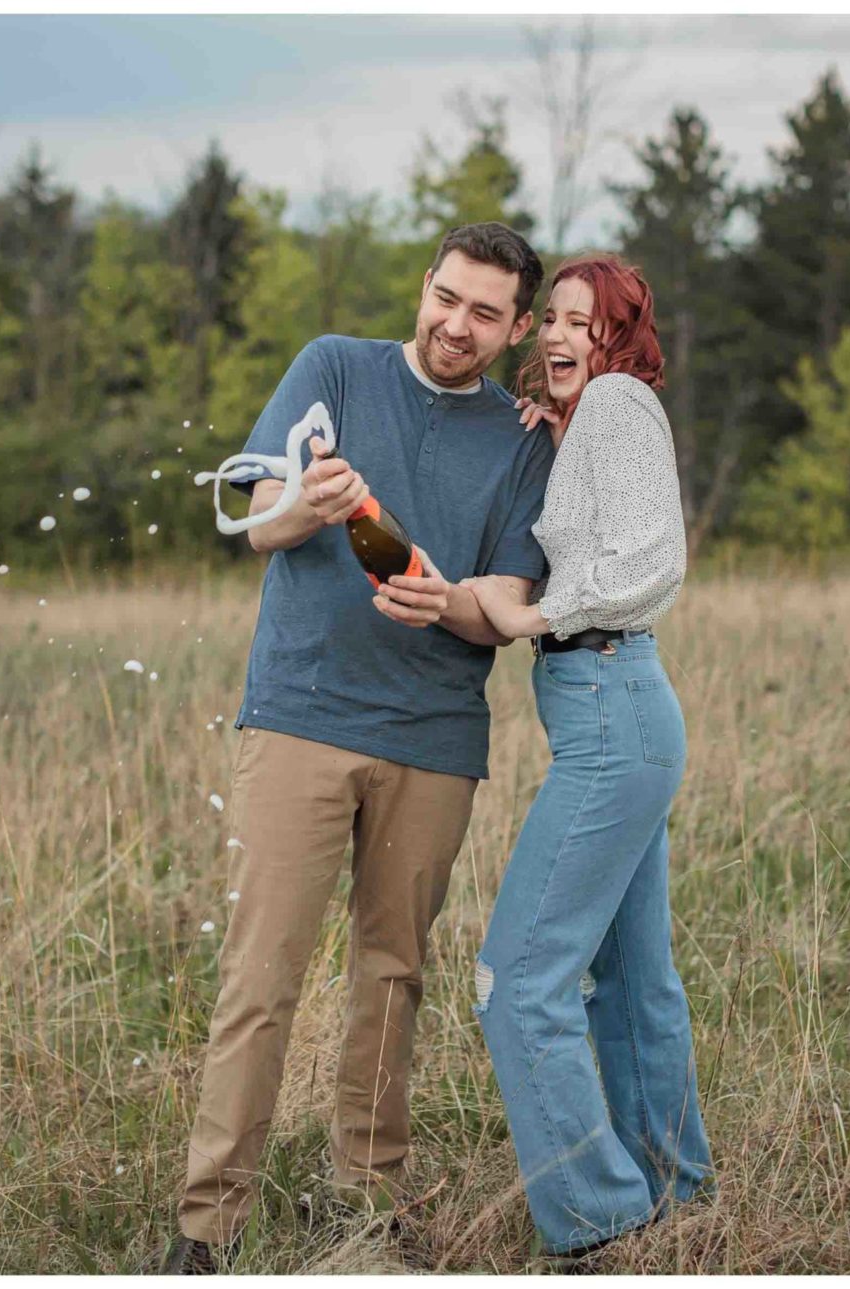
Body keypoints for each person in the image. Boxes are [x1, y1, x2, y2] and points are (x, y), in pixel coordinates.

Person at [162, 222, 553, 1274]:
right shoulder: (333, 367)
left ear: (516, 327)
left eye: (484, 312)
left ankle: (369, 1208)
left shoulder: (524, 443)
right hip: (302, 714)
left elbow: (510, 599)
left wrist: (451, 600)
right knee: (263, 972)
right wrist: (305, 500)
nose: (455, 324)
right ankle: (209, 1224)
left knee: (393, 973)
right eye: (445, 296)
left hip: (435, 736)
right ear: (422, 287)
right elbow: (253, 523)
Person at [462, 254, 715, 1262]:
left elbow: (656, 555)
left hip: (610, 707)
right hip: (622, 710)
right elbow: (601, 525)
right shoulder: (589, 422)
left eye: (591, 322)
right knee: (633, 978)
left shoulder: (616, 403)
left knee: (517, 978)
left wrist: (534, 609)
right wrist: (550, 442)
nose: (566, 337)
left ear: (622, 341)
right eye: (555, 321)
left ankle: (606, 1220)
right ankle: (673, 1192)